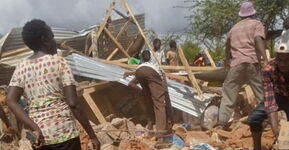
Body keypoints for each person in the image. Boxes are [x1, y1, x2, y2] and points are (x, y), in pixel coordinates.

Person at [6, 19, 100, 150]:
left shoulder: (21, 67)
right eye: (52, 37)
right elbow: (73, 103)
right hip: (64, 134)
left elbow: (10, 100)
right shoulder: (59, 62)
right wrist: (92, 135)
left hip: (40, 139)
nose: (55, 42)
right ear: (44, 39)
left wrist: (34, 127)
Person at [217, 1, 268, 149]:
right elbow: (258, 39)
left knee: (229, 92)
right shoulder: (257, 24)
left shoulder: (233, 28)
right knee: (260, 93)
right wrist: (264, 58)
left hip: (237, 64)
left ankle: (222, 124)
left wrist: (227, 60)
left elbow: (227, 46)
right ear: (253, 13)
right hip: (252, 62)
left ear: (241, 15)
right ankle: (265, 121)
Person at [247, 18, 289, 150]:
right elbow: (270, 102)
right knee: (254, 118)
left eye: (288, 59)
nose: (283, 63)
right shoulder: (269, 69)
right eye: (280, 59)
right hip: (279, 96)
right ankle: (257, 148)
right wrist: (275, 128)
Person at [123, 50, 172, 144]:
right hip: (152, 75)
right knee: (159, 105)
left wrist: (143, 93)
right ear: (150, 58)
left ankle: (149, 127)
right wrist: (170, 115)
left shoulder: (142, 66)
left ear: (141, 58)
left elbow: (131, 83)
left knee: (150, 102)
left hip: (139, 72)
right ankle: (161, 139)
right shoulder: (158, 69)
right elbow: (166, 94)